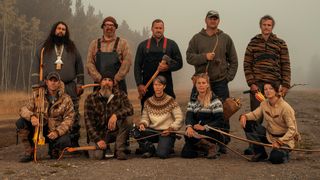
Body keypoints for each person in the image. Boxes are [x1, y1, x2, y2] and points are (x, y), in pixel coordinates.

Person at [186, 10, 238, 152]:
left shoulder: (225, 38)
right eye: (211, 18)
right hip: (201, 83)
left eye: (216, 18)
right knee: (196, 111)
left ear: (218, 21)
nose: (213, 20)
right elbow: (189, 57)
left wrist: (228, 78)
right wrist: (204, 57)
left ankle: (222, 143)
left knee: (223, 113)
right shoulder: (197, 38)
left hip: (220, 82)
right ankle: (200, 142)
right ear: (206, 20)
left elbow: (234, 61)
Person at [243, 15, 291, 154]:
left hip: (274, 86)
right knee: (256, 116)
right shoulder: (253, 43)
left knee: (278, 117)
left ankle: (282, 145)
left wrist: (285, 84)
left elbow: (285, 65)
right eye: (264, 24)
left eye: (269, 25)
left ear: (272, 27)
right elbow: (247, 64)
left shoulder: (280, 43)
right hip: (257, 86)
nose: (266, 27)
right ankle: (255, 147)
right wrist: (251, 83)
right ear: (260, 26)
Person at [31, 21, 84, 147]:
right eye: (59, 28)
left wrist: (80, 84)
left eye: (64, 29)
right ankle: (53, 143)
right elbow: (35, 66)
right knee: (50, 113)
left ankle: (74, 143)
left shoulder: (72, 47)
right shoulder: (43, 47)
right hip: (49, 86)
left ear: (66, 32)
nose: (61, 31)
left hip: (69, 86)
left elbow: (79, 65)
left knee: (73, 114)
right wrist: (35, 85)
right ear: (54, 30)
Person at [16, 72, 74, 162]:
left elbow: (69, 119)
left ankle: (54, 150)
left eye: (55, 80)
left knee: (65, 140)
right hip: (39, 128)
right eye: (51, 80)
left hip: (54, 130)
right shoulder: (38, 95)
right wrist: (31, 117)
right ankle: (29, 151)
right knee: (20, 122)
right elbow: (23, 109)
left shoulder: (66, 99)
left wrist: (57, 132)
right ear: (47, 82)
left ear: (59, 83)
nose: (53, 83)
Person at [240, 82, 299, 164]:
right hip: (270, 136)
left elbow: (293, 130)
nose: (268, 91)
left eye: (271, 88)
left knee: (275, 158)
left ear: (276, 91)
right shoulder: (264, 103)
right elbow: (254, 115)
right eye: (265, 89)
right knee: (248, 123)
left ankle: (284, 154)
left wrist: (280, 142)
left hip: (285, 140)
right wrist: (244, 116)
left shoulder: (286, 108)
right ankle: (260, 153)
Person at [134, 19, 183, 110]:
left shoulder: (171, 44)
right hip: (147, 86)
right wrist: (139, 84)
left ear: (164, 29)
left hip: (166, 86)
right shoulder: (143, 46)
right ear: (152, 29)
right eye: (156, 28)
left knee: (168, 111)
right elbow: (137, 66)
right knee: (147, 112)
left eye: (160, 28)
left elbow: (179, 64)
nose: (158, 30)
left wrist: (167, 67)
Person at [84, 71, 134, 160]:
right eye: (104, 80)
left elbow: (130, 109)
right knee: (97, 156)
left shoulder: (120, 94)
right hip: (99, 134)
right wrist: (98, 140)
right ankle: (103, 147)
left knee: (128, 119)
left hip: (114, 132)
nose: (107, 82)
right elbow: (89, 124)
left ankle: (119, 150)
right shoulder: (90, 98)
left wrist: (115, 115)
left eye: (110, 80)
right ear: (100, 83)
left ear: (113, 83)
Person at [133, 76, 183, 159]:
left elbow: (179, 118)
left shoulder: (171, 101)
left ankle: (168, 145)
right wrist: (143, 124)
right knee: (135, 131)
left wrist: (171, 128)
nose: (157, 87)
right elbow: (145, 118)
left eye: (160, 85)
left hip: (166, 132)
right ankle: (150, 149)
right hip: (153, 131)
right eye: (155, 85)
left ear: (164, 86)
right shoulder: (148, 102)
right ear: (153, 86)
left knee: (162, 155)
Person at [181, 73, 224, 159]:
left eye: (204, 83)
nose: (201, 85)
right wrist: (189, 126)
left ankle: (212, 146)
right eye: (199, 83)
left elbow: (220, 121)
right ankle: (205, 149)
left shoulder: (215, 101)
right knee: (186, 154)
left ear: (208, 85)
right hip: (195, 132)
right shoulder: (193, 100)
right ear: (195, 85)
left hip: (211, 132)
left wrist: (204, 127)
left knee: (190, 135)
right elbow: (189, 116)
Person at [86, 16, 132, 93]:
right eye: (106, 25)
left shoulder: (123, 43)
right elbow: (89, 63)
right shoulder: (94, 44)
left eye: (112, 25)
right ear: (103, 27)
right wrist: (100, 79)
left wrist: (116, 79)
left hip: (118, 86)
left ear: (115, 28)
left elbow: (127, 63)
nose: (109, 27)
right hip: (99, 86)